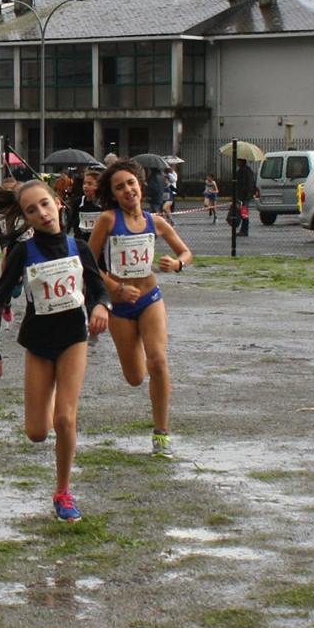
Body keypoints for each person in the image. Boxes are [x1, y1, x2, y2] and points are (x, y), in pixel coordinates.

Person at [0, 178, 109, 520]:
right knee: (36, 433)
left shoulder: (79, 247)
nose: (42, 213)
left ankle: (63, 492)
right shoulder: (23, 252)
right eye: (32, 210)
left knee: (65, 418)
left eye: (45, 204)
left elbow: (98, 288)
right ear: (26, 218)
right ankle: (47, 401)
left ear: (58, 203)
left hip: (73, 338)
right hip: (37, 341)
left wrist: (100, 307)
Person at [90, 160, 191, 458]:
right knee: (135, 377)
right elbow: (89, 263)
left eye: (131, 183)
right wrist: (115, 287)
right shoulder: (108, 220)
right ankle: (142, 365)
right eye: (119, 187)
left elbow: (185, 252)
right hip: (121, 307)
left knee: (158, 361)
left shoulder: (155, 221)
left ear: (140, 185)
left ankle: (161, 434)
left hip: (150, 299)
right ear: (113, 194)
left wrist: (177, 264)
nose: (127, 190)